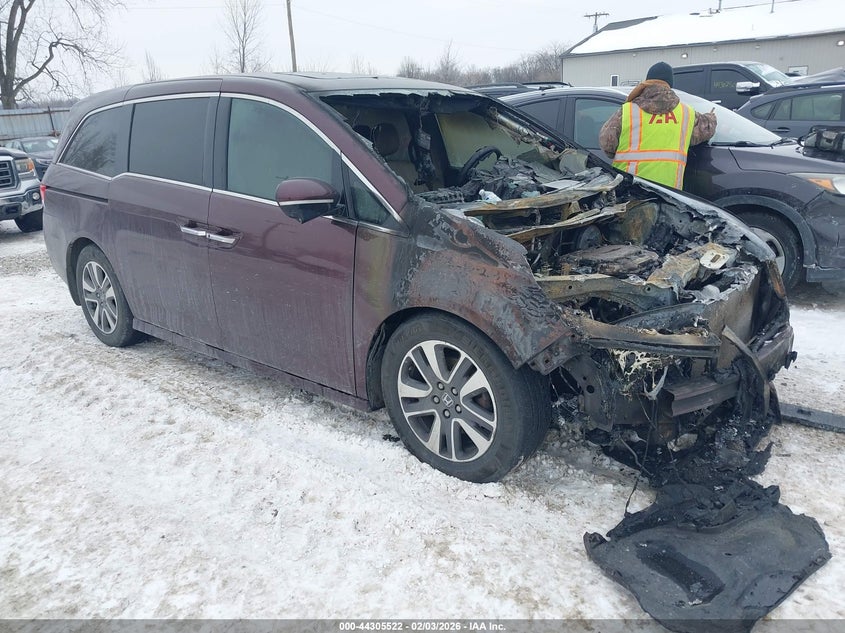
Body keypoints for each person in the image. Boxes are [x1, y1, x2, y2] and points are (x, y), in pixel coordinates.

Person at [599, 62, 717, 189]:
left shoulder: (627, 111)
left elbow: (607, 144)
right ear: (670, 85)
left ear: (647, 82)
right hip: (668, 193)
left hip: (630, 190)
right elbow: (706, 129)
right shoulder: (686, 113)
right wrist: (712, 117)